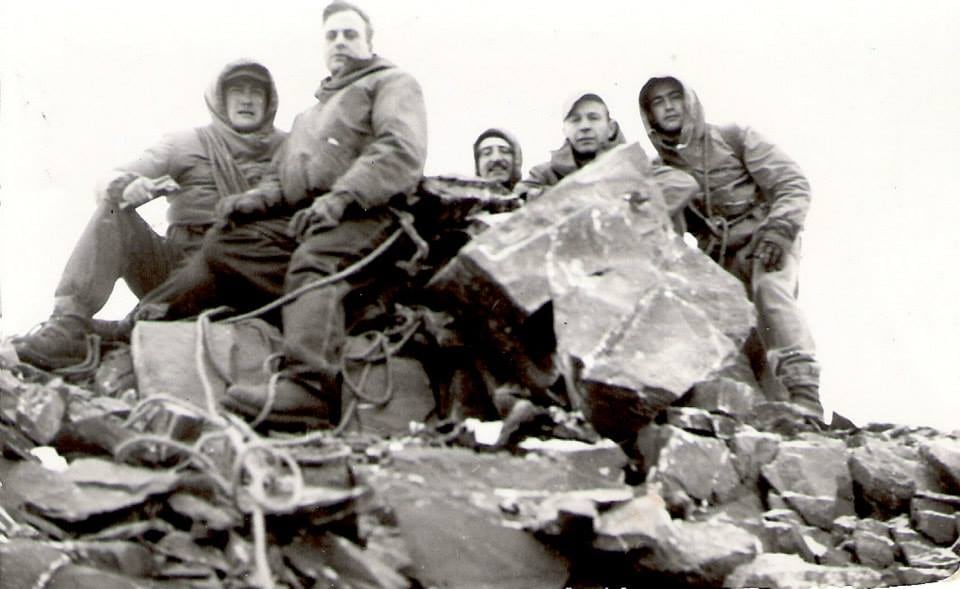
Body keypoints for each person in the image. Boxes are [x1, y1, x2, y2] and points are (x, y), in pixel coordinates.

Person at [162, 1, 427, 426]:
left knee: (315, 261)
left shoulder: (391, 83)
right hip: (312, 216)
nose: (340, 42)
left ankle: (309, 387)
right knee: (228, 243)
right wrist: (254, 201)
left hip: (370, 212)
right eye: (332, 36)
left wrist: (341, 198)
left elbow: (399, 150)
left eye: (350, 34)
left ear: (369, 43)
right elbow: (283, 176)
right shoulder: (310, 115)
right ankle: (341, 309)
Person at [13, 59, 285, 371]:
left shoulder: (288, 148)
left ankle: (125, 329)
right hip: (176, 265)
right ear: (220, 98)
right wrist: (126, 187)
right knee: (113, 210)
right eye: (238, 90)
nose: (247, 99)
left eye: (256, 92)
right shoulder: (185, 143)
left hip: (244, 273)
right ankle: (68, 324)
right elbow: (110, 179)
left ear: (269, 102)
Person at [638, 75, 822, 421]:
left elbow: (792, 182)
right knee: (736, 332)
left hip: (766, 238)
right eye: (658, 103)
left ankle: (805, 393)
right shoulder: (660, 169)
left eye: (674, 97)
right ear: (650, 116)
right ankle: (766, 410)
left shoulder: (733, 137)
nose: (669, 107)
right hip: (720, 257)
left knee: (771, 293)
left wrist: (780, 230)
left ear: (689, 100)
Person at [515, 93, 624, 200]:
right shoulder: (544, 174)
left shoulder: (631, 169)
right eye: (575, 120)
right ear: (565, 131)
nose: (584, 127)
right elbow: (521, 194)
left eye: (593, 118)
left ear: (611, 128)